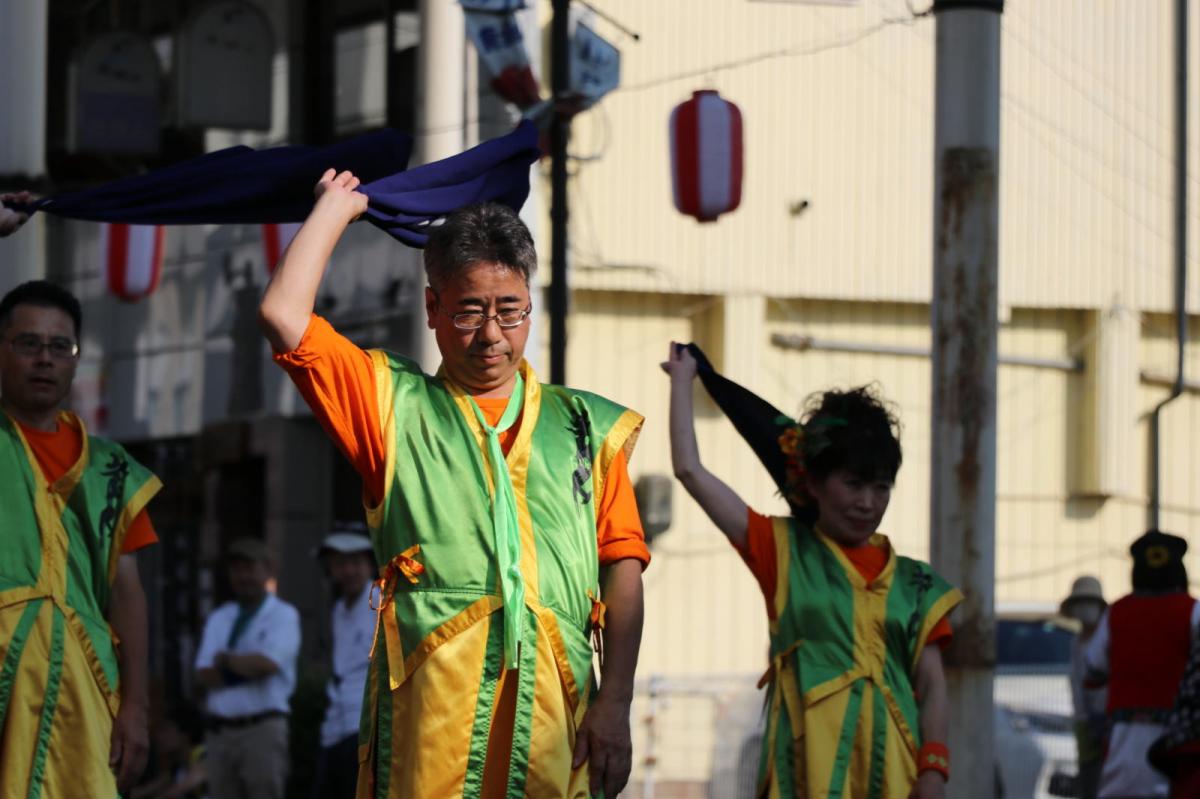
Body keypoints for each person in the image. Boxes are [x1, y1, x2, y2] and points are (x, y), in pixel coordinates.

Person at [258, 170, 649, 798]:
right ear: (432, 308)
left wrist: (618, 703)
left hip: (560, 718)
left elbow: (622, 568)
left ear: (529, 306)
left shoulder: (585, 427)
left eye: (509, 310)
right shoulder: (390, 406)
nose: (491, 334)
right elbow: (283, 315)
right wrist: (336, 208)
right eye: (469, 311)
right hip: (433, 721)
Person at [663, 342, 961, 799]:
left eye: (881, 487)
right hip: (803, 777)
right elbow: (690, 471)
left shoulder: (916, 585)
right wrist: (684, 383)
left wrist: (933, 771)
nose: (868, 502)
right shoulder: (781, 551)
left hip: (897, 780)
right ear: (815, 483)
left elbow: (932, 684)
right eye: (853, 484)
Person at [0, 279, 161, 795]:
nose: (44, 359)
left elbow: (128, 593)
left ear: (75, 359)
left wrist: (135, 707)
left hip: (83, 690)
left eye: (59, 347)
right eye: (28, 343)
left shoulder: (112, 470)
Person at [1085, 530, 1198, 799]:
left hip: (1123, 737)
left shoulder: (1117, 612)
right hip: (1179, 739)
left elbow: (1093, 668)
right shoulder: (1192, 610)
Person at [194, 538, 301, 799]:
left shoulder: (283, 615)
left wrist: (225, 661)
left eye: (250, 568)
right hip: (220, 733)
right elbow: (204, 674)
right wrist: (247, 666)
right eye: (237, 569)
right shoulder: (220, 616)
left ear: (268, 569)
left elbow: (267, 664)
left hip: (261, 730)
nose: (243, 576)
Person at [315, 527, 377, 799]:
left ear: (368, 564)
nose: (348, 571)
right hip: (335, 724)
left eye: (355, 562)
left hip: (364, 724)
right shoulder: (338, 609)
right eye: (340, 563)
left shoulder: (380, 599)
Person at [1060, 575, 1108, 799]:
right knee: (1088, 775)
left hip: (1105, 720)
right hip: (1083, 721)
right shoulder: (1076, 642)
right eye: (1080, 603)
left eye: (1089, 603)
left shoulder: (1106, 638)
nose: (1085, 609)